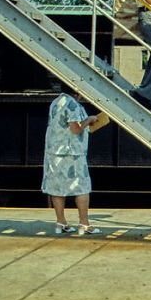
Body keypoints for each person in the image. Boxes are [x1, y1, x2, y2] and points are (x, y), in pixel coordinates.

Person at [42, 91, 103, 236]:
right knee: (82, 187)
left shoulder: (55, 102)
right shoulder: (73, 105)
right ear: (77, 92)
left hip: (54, 151)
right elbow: (75, 128)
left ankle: (61, 222)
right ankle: (84, 223)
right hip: (72, 153)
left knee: (57, 187)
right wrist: (90, 119)